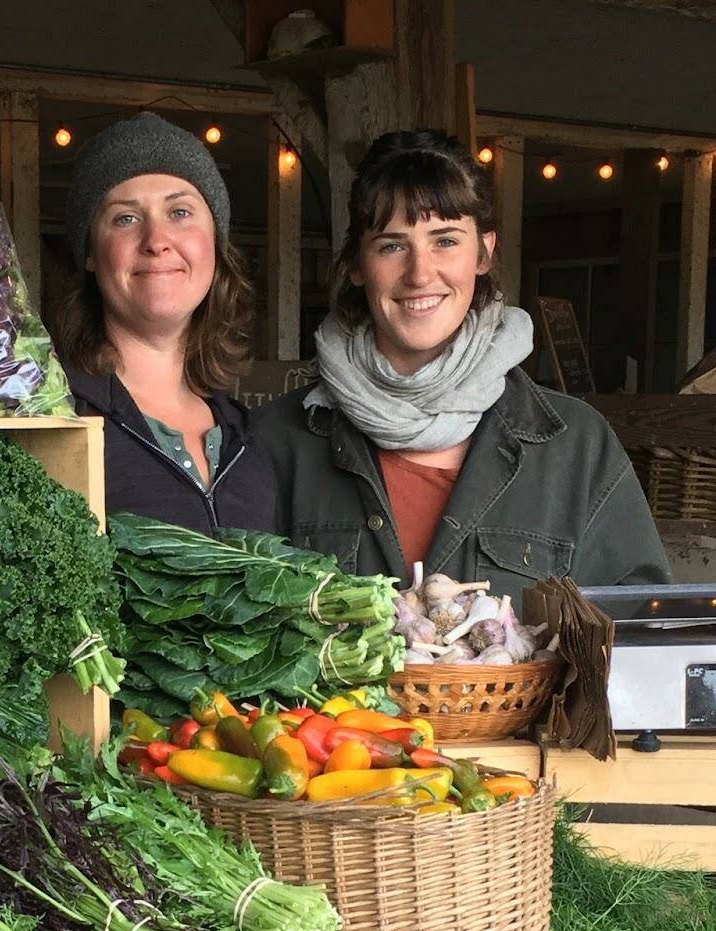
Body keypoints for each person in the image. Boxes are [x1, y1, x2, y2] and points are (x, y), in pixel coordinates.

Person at [258, 130, 670, 596]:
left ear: (484, 251)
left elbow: (635, 635)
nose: (419, 274)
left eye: (446, 241)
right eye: (392, 245)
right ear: (357, 264)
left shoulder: (576, 446)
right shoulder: (278, 441)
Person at [55, 112, 279, 534]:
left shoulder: (249, 438)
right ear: (90, 253)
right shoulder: (56, 423)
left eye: (179, 212)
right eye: (125, 218)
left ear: (215, 242)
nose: (156, 241)